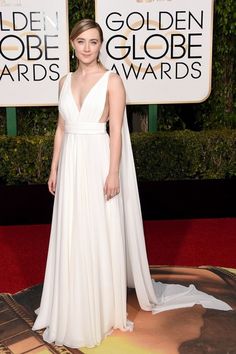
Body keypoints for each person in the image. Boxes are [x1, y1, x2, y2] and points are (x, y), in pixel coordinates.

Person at [32, 19, 231, 349]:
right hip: (70, 165)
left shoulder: (112, 81)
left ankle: (100, 309)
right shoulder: (63, 81)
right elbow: (62, 128)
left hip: (97, 161)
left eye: (93, 42)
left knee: (97, 231)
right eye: (81, 41)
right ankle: (70, 300)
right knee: (73, 231)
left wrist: (113, 172)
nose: (86, 47)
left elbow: (116, 133)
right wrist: (54, 168)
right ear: (72, 43)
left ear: (100, 45)